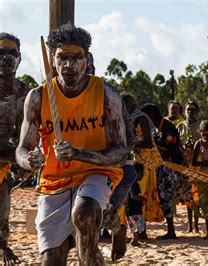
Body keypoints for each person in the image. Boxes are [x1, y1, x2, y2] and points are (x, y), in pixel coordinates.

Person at [16, 24, 131, 265]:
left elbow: (121, 152)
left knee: (84, 215)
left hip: (96, 172)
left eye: (76, 58)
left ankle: (102, 241)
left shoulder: (106, 94)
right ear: (52, 60)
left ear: (87, 59)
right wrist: (29, 160)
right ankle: (115, 228)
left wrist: (78, 154)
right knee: (52, 260)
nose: (69, 65)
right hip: (54, 181)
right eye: (62, 58)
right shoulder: (38, 97)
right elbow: (22, 149)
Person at [0, 32, 28, 264]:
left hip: (5, 166)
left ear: (20, 58)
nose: (6, 58)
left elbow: (28, 133)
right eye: (1, 52)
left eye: (12, 53)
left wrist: (26, 159)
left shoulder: (23, 92)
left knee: (2, 219)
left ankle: (2, 249)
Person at [141, 103, 185, 239]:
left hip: (171, 167)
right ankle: (169, 230)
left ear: (152, 116)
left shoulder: (167, 127)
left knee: (165, 197)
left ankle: (171, 231)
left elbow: (173, 149)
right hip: (162, 166)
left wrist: (155, 151)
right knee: (161, 196)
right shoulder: (157, 128)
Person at [122, 94, 163, 240]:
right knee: (134, 196)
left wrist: (131, 143)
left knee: (140, 195)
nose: (123, 109)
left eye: (125, 106)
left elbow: (148, 142)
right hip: (134, 161)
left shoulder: (142, 118)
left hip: (145, 163)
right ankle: (139, 231)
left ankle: (141, 231)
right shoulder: (126, 120)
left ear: (132, 106)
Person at [176, 100, 201, 232]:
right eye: (188, 109)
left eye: (192, 109)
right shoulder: (180, 126)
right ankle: (190, 226)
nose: (190, 112)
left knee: (196, 195)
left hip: (197, 165)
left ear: (197, 111)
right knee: (187, 196)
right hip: (184, 165)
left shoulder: (200, 126)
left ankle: (196, 225)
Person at [125, 164, 145, 247]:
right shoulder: (134, 184)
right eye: (142, 173)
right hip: (134, 209)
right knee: (137, 225)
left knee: (133, 226)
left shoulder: (129, 182)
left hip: (129, 209)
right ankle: (135, 240)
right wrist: (142, 199)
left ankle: (134, 239)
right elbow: (134, 196)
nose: (143, 175)